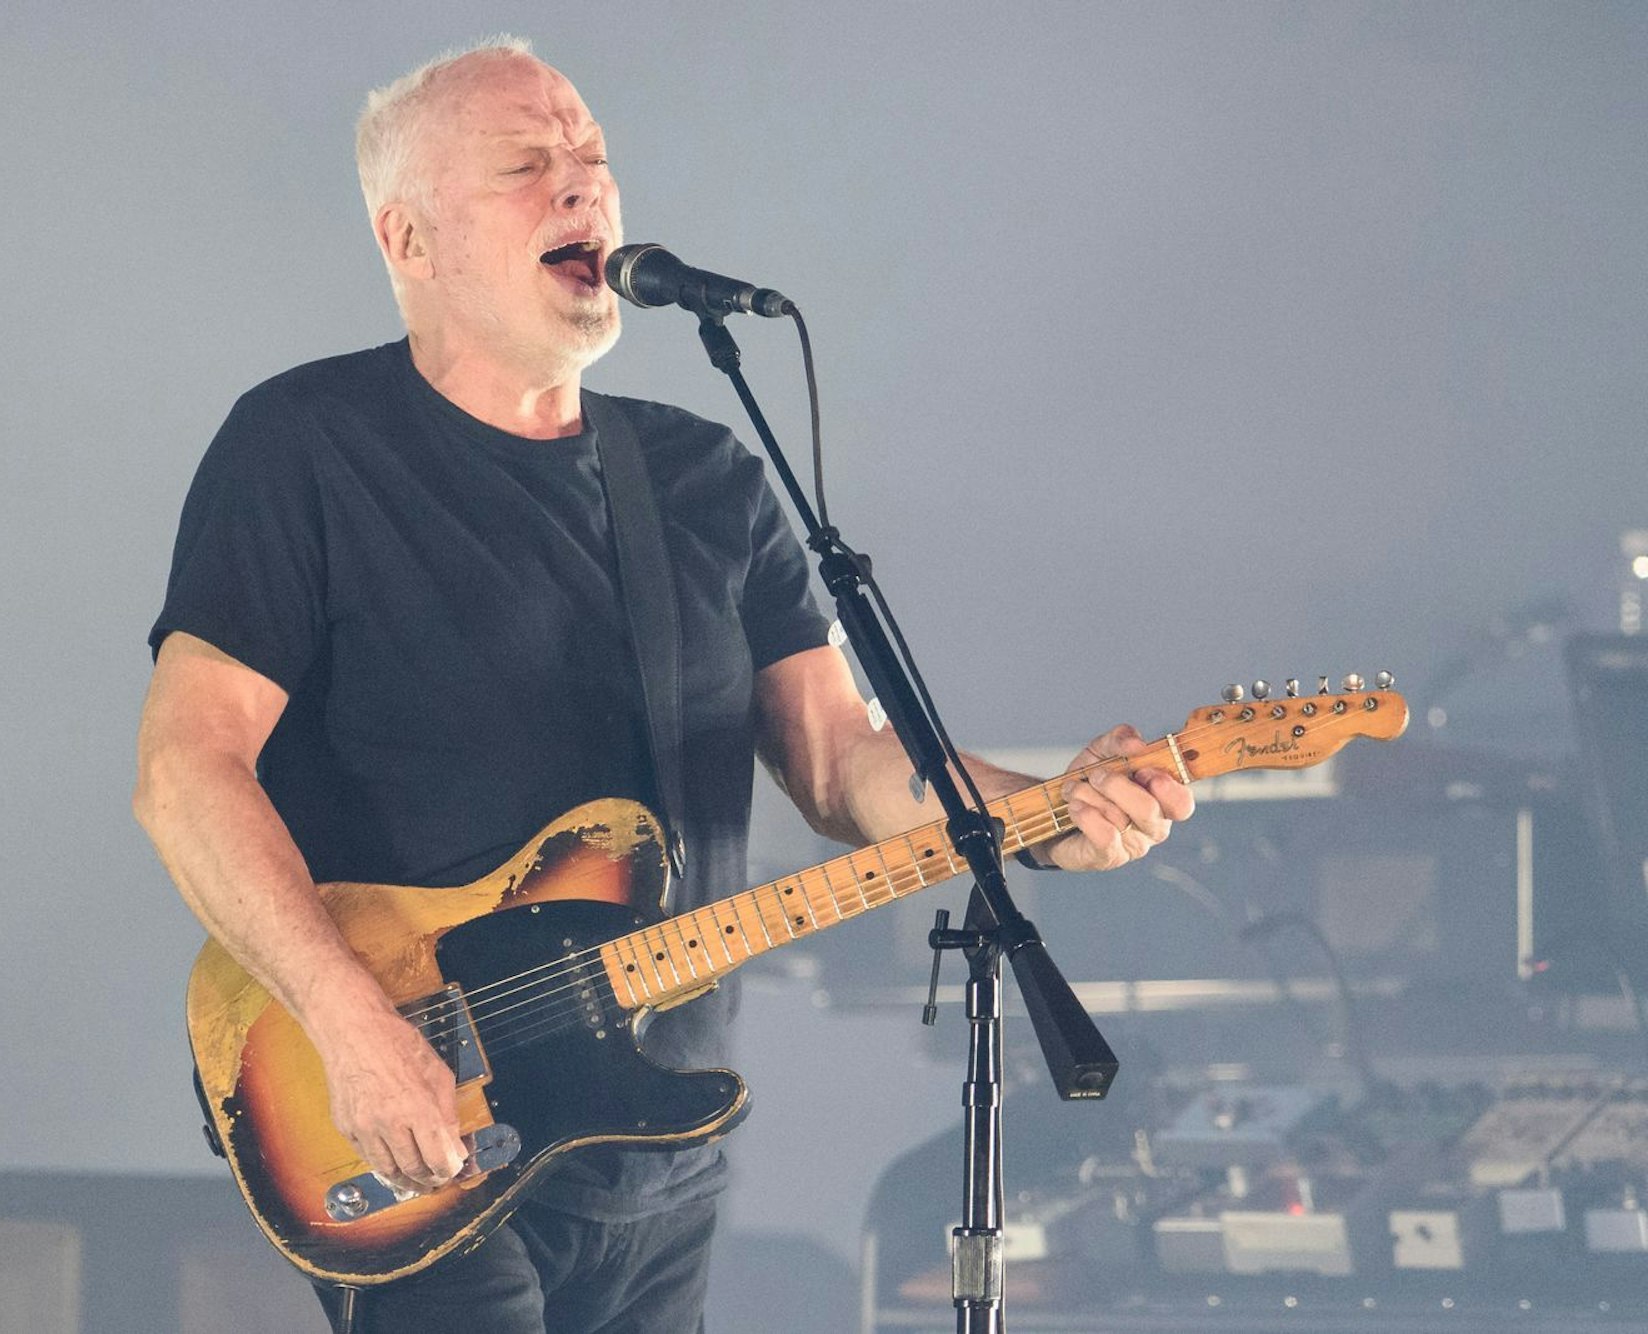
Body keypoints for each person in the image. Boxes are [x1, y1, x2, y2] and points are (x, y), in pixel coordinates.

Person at [133, 38, 1195, 1334]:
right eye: (527, 165)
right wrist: (355, 1025)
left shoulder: (705, 478)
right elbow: (185, 769)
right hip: (418, 1104)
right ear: (408, 241)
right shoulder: (305, 447)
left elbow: (845, 763)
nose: (583, 188)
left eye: (592, 158)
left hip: (651, 1124)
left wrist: (1050, 810)